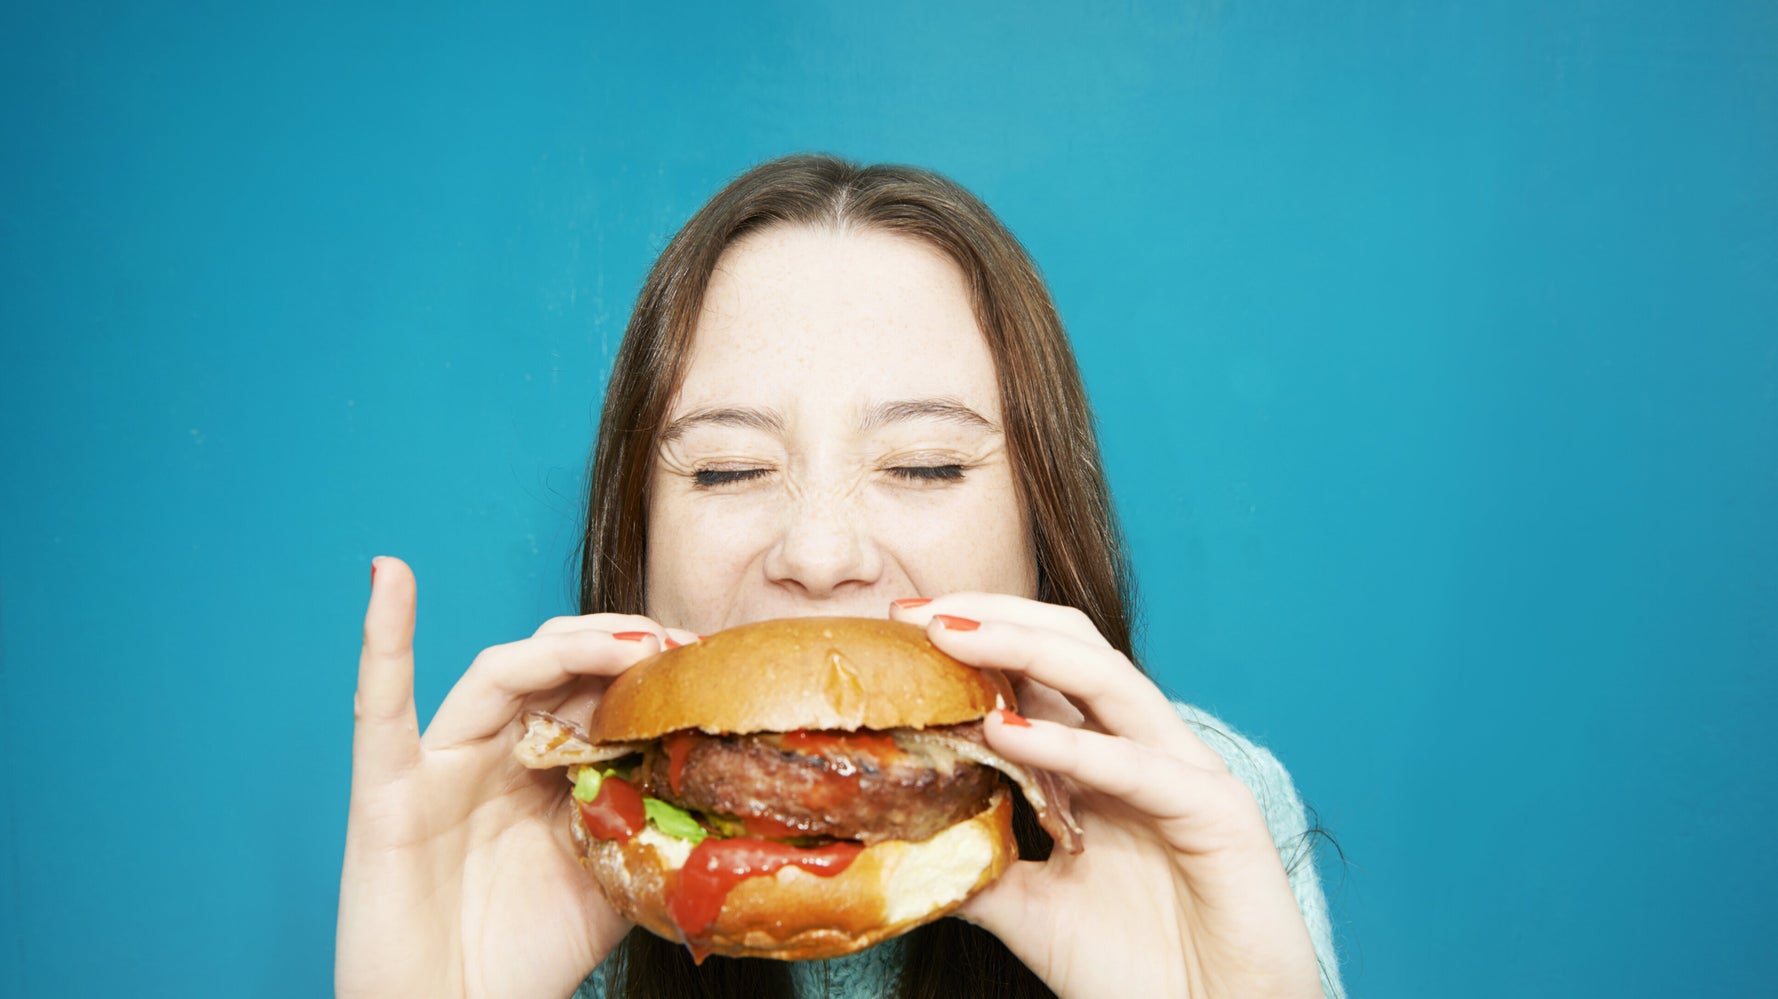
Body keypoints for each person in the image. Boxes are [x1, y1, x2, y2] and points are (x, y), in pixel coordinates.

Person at [337, 154, 1344, 999]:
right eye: (729, 469)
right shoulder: (537, 844)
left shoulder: (1201, 813)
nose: (818, 558)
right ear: (634, 539)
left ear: (1042, 525)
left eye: (923, 465)